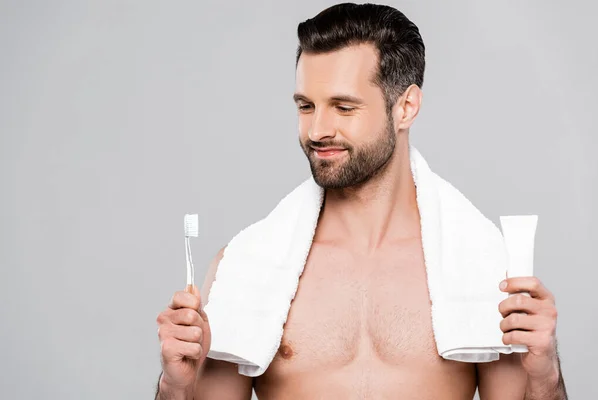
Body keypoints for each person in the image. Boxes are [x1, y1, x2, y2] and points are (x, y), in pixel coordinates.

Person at [154, 3, 568, 399]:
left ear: (406, 106)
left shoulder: (479, 264)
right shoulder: (247, 266)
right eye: (306, 106)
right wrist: (176, 386)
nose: (317, 129)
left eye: (343, 107)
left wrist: (545, 371)